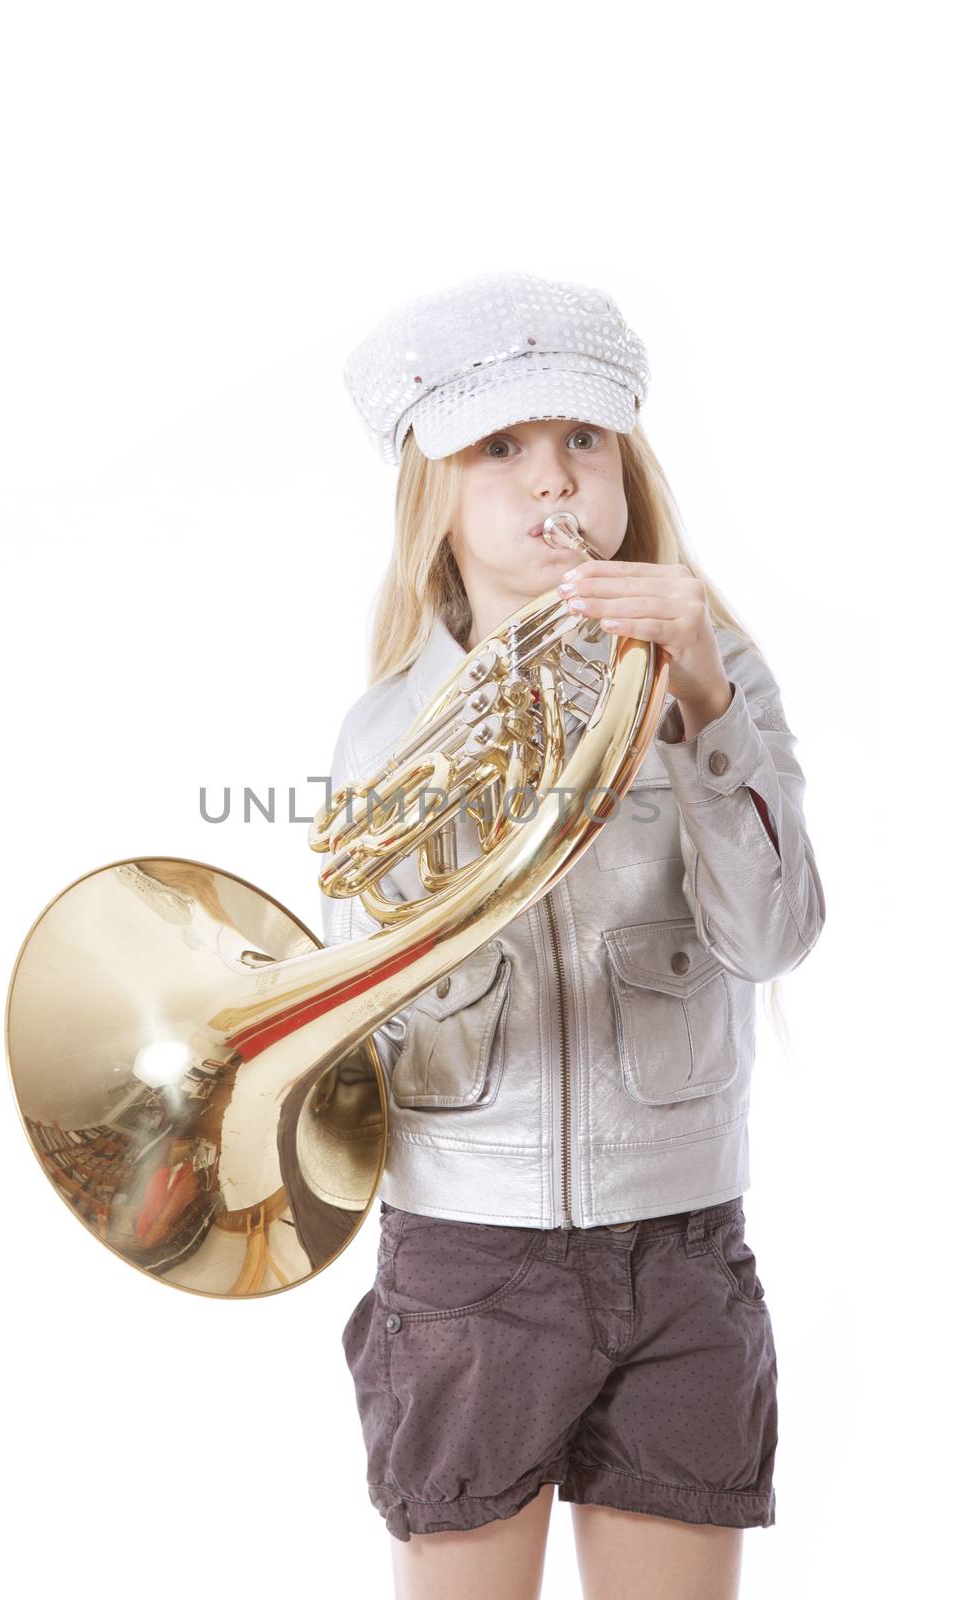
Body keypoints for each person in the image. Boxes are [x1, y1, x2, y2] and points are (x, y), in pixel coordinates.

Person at [321, 270, 826, 1600]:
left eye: (581, 441)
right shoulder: (385, 734)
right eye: (501, 448)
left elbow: (773, 940)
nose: (554, 483)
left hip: (680, 1242)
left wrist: (704, 703)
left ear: (625, 468)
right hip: (463, 1259)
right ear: (433, 489)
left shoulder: (717, 673)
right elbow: (368, 1027)